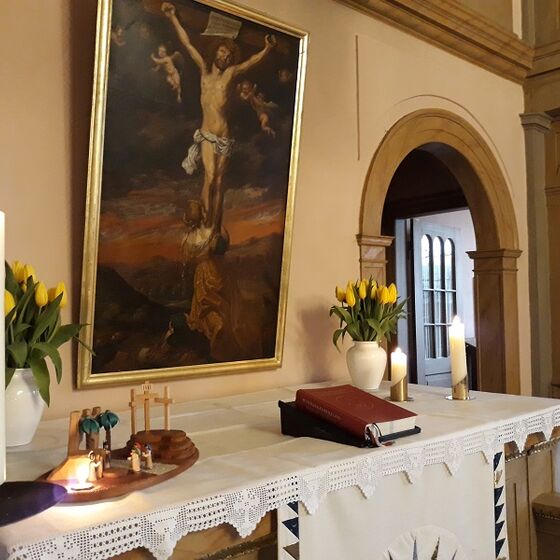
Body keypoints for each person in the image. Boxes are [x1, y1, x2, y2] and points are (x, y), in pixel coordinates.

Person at [161, 2, 276, 243]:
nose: (225, 57)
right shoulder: (204, 71)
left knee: (221, 183)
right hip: (207, 133)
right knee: (210, 177)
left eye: (229, 55)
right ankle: (205, 224)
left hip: (224, 134)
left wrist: (267, 49)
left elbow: (251, 62)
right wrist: (172, 17)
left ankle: (216, 226)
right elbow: (187, 44)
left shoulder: (230, 74)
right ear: (215, 53)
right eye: (222, 53)